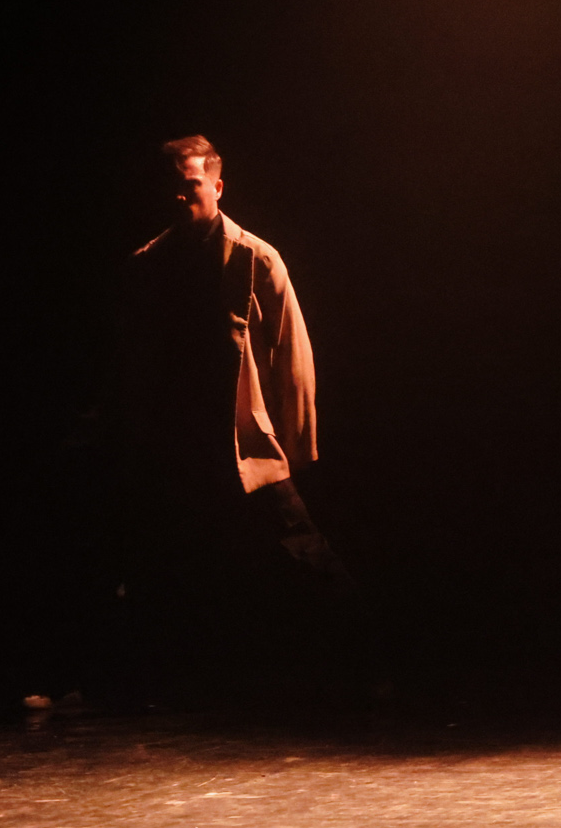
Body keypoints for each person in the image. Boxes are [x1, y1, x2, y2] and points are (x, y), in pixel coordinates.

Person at [103, 135, 366, 705]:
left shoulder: (254, 258)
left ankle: (365, 665)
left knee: (301, 548)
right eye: (173, 188)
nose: (180, 197)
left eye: (191, 185)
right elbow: (137, 359)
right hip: (179, 441)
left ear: (217, 187)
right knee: (170, 562)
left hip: (247, 440)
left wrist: (296, 444)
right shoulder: (148, 264)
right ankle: (165, 682)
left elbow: (291, 355)